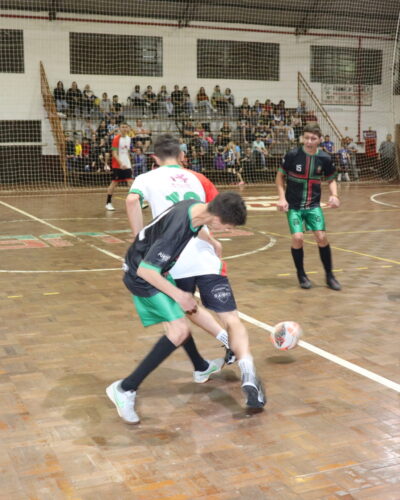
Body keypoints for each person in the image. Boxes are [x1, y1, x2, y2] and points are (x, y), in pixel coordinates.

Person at [275, 124, 341, 291]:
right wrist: (282, 198)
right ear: (302, 138)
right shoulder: (292, 155)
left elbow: (331, 179)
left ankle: (329, 275)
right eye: (306, 138)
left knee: (321, 237)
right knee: (297, 238)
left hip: (313, 206)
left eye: (313, 138)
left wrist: (334, 195)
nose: (309, 141)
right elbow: (280, 177)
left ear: (319, 140)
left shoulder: (324, 158)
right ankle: (301, 274)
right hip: (294, 206)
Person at [105, 123, 133, 211]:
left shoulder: (129, 139)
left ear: (128, 128)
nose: (124, 128)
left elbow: (127, 152)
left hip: (126, 164)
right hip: (117, 165)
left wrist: (129, 164)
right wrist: (121, 163)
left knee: (131, 183)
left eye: (126, 127)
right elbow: (114, 153)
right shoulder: (116, 139)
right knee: (114, 183)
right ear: (119, 128)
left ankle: (138, 202)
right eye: (122, 127)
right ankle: (108, 203)